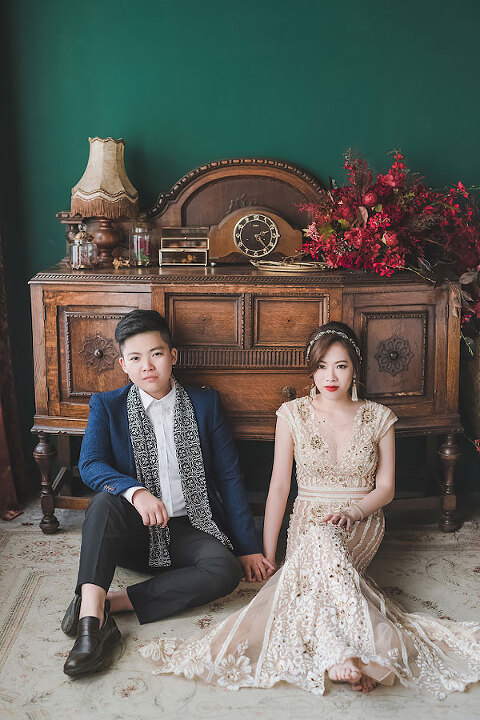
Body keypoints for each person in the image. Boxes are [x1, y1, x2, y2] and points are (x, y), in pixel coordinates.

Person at [140, 321, 480, 697]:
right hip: (308, 517)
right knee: (315, 555)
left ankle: (341, 653)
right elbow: (279, 488)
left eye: (341, 366)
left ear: (355, 369)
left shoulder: (379, 417)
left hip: (361, 518)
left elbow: (386, 489)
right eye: (321, 366)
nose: (330, 377)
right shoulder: (292, 414)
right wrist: (269, 554)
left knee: (322, 550)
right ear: (311, 370)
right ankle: (359, 652)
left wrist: (353, 512)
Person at [62, 309, 274, 678]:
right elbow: (91, 464)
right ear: (123, 365)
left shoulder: (205, 403)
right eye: (135, 358)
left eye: (156, 354)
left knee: (224, 570)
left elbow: (229, 476)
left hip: (189, 529)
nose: (147, 366)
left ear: (172, 356)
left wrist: (247, 547)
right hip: (132, 533)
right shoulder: (108, 406)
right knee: (105, 502)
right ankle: (89, 624)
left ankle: (110, 604)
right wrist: (136, 492)